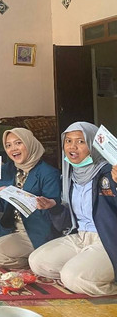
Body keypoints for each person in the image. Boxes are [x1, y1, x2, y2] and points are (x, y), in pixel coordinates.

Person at [29, 122, 117, 296]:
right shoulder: (71, 175)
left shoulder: (109, 173)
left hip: (108, 239)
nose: (72, 146)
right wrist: (53, 207)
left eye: (81, 141)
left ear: (93, 145)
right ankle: (90, 269)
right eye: (68, 141)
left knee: (73, 278)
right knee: (37, 262)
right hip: (81, 237)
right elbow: (69, 219)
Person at [0, 128, 61, 269]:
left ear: (29, 143)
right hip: (9, 226)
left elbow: (53, 211)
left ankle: (36, 260)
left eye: (18, 143)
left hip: (34, 229)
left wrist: (15, 194)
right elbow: (1, 206)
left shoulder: (48, 173)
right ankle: (16, 251)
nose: (13, 149)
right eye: (8, 145)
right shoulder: (8, 169)